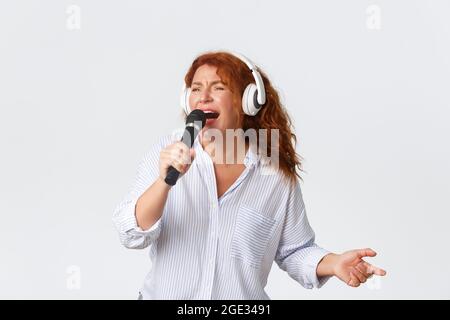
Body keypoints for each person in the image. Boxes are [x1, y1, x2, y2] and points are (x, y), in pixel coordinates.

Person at [112, 51, 386, 300]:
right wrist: (164, 182)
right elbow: (131, 233)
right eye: (196, 88)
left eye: (218, 87)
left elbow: (294, 249)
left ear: (247, 101)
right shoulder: (166, 152)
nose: (203, 96)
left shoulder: (275, 176)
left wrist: (335, 263)